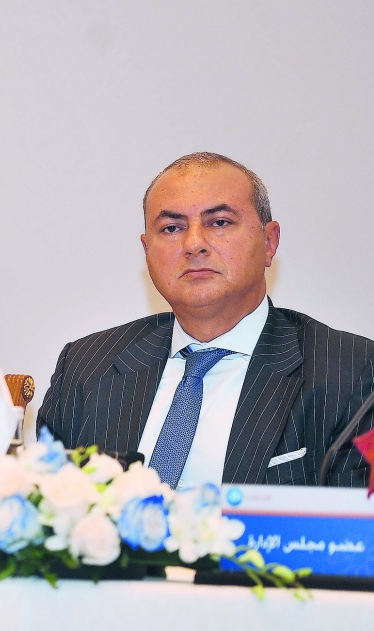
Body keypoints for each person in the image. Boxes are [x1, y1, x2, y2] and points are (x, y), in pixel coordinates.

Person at [37, 152, 374, 488]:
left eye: (219, 223)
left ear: (269, 242)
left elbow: (354, 529)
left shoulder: (350, 372)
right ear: (147, 251)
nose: (194, 244)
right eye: (171, 228)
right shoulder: (86, 366)